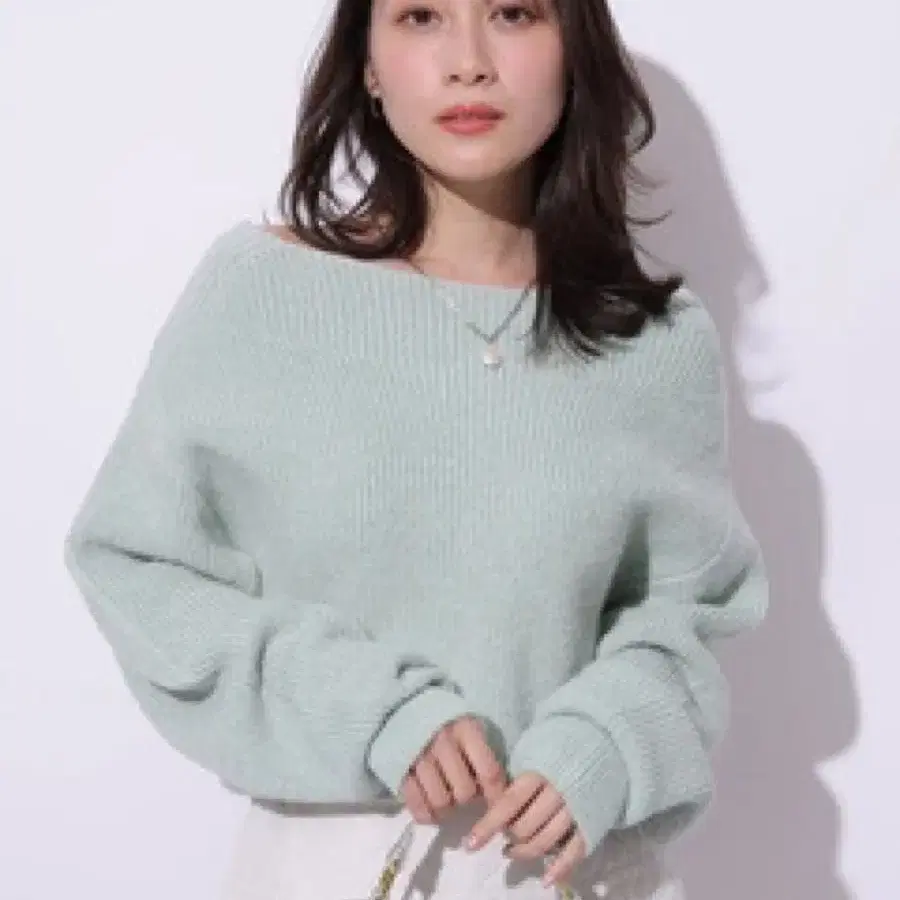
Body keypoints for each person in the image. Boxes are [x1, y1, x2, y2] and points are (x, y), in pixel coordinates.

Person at [62, 0, 769, 898]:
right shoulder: (262, 296)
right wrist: (366, 708)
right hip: (333, 865)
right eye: (422, 16)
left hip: (577, 870)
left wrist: (605, 742)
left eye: (513, 13)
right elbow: (136, 564)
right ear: (367, 60)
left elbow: (689, 617)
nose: (468, 61)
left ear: (573, 46)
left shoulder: (655, 344)